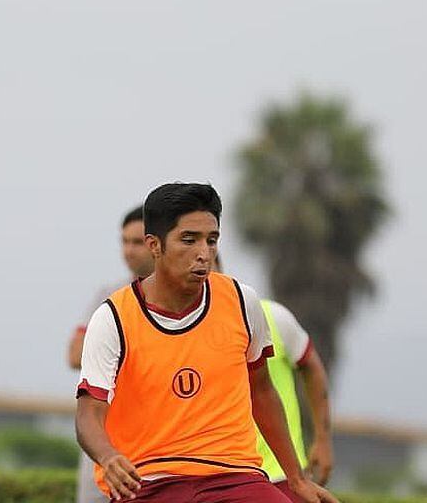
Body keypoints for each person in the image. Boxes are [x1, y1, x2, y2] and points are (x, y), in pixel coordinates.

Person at [76, 183, 337, 502]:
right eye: (189, 240)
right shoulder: (113, 317)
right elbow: (88, 414)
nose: (204, 253)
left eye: (211, 240)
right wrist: (108, 456)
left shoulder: (242, 301)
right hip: (150, 482)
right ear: (154, 245)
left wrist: (296, 479)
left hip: (234, 478)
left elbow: (262, 391)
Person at [211, 258, 335, 500]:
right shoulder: (173, 330)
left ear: (220, 267)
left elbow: (312, 368)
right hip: (221, 477)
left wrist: (323, 439)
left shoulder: (270, 316)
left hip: (281, 473)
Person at [68, 206, 154, 503]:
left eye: (137, 242)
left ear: (157, 243)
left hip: (157, 440)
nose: (128, 251)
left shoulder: (185, 301)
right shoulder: (109, 296)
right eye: (124, 242)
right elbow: (75, 354)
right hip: (104, 436)